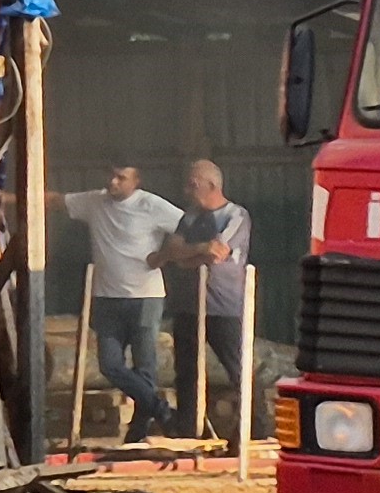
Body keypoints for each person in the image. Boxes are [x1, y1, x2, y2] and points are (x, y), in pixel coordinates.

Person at [61, 164, 182, 441]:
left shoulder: (150, 205)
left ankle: (137, 433)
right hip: (107, 298)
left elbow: (186, 227)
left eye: (121, 178)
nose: (113, 182)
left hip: (145, 297)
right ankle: (161, 410)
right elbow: (57, 200)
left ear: (136, 181)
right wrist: (5, 198)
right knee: (109, 364)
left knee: (144, 366)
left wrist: (163, 256)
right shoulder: (94, 201)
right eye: (111, 176)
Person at [162, 158, 254, 440]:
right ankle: (188, 430)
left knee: (238, 368)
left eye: (194, 184)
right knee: (186, 371)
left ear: (212, 185)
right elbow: (173, 253)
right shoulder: (189, 216)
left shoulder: (235, 215)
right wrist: (200, 250)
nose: (188, 190)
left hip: (224, 306)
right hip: (189, 306)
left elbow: (219, 253)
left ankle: (253, 429)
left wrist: (192, 255)